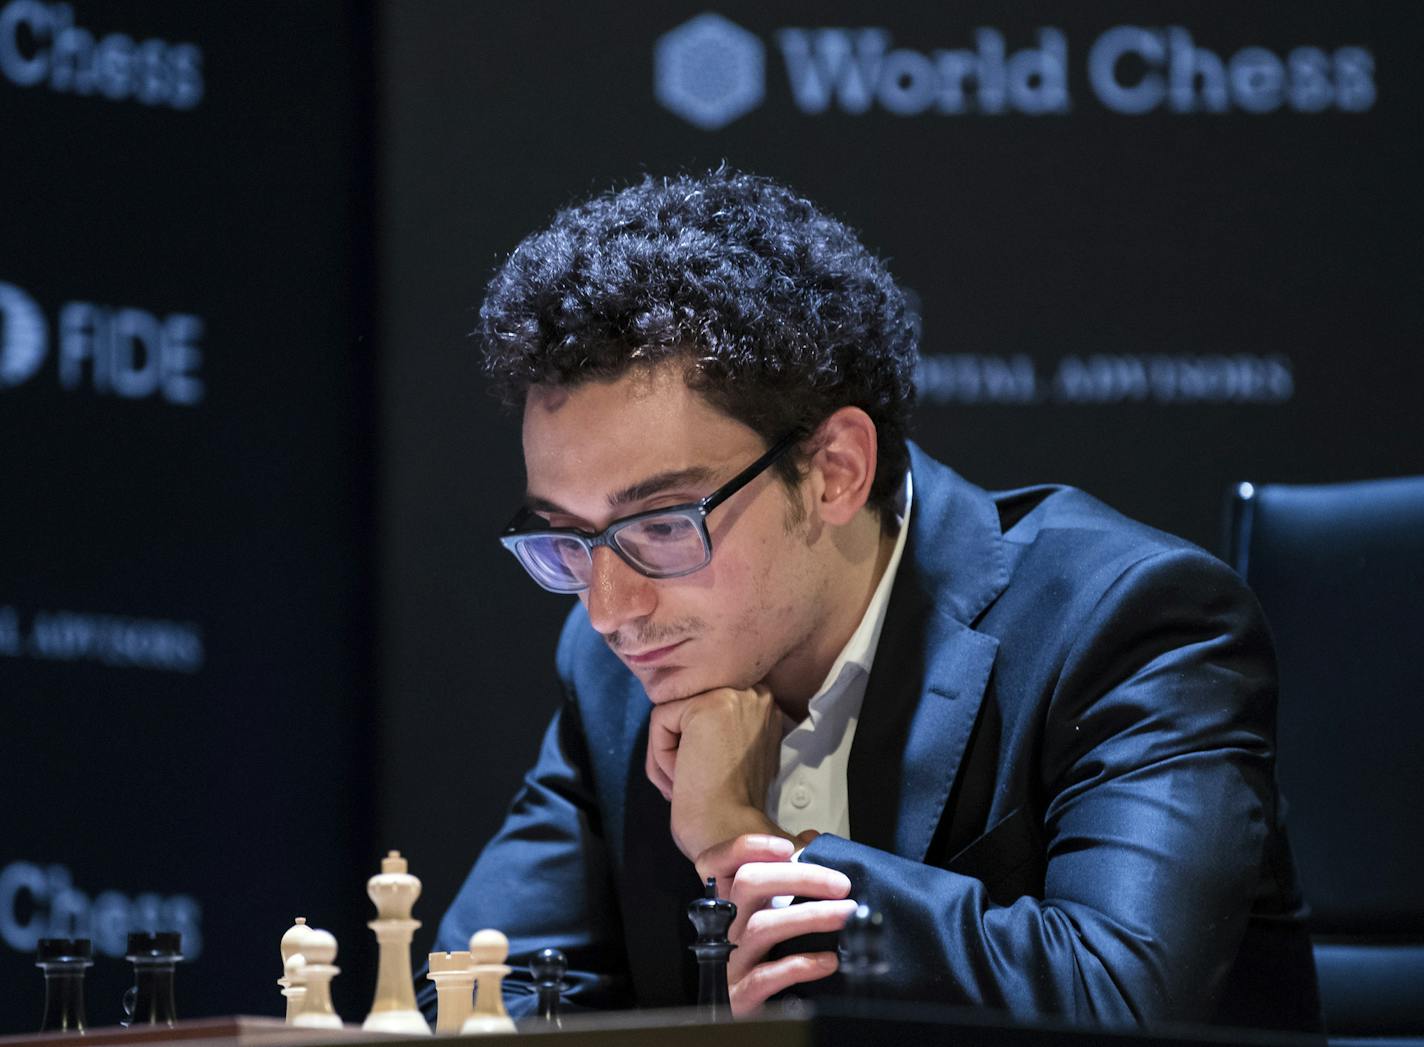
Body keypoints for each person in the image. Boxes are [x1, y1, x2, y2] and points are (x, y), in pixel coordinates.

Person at [426, 167, 1320, 1030]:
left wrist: (751, 852)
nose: (609, 606)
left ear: (835, 472)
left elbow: (1116, 1000)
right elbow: (475, 995)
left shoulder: (1130, 623)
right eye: (568, 539)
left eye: (660, 524)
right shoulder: (622, 669)